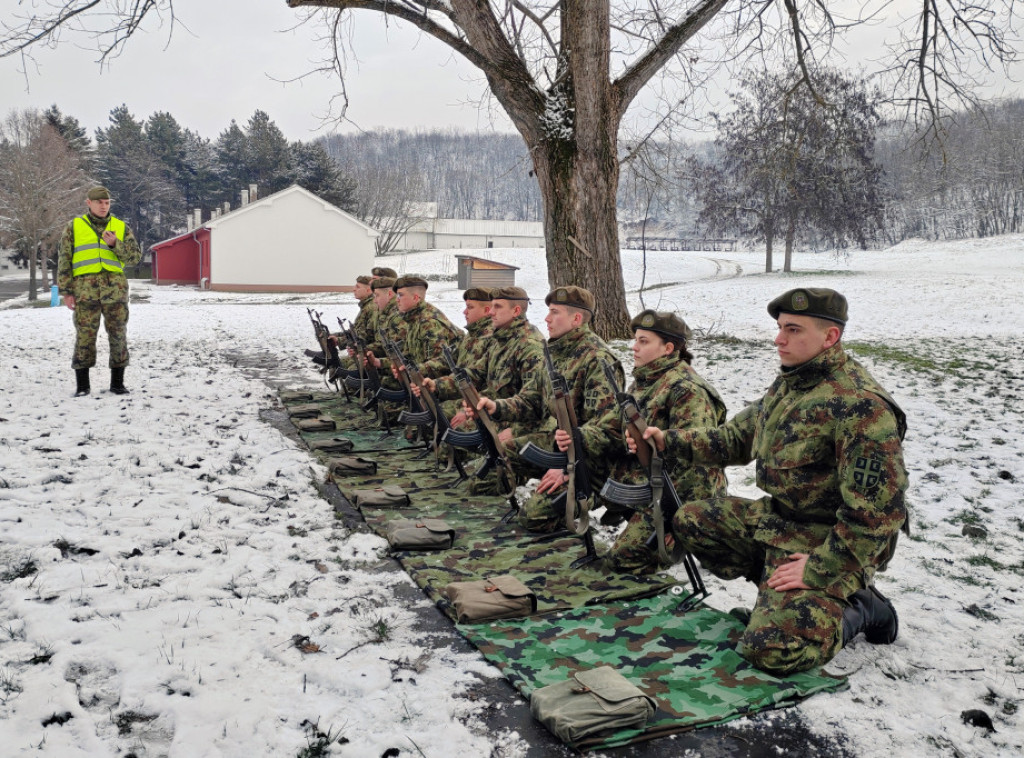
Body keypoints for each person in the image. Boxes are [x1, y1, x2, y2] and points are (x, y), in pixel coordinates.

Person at [633, 288, 908, 675]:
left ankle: (860, 608)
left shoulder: (860, 405)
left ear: (830, 338)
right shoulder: (791, 384)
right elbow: (735, 439)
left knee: (773, 652)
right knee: (692, 519)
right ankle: (776, 600)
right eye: (780, 328)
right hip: (782, 521)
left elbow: (878, 515)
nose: (779, 339)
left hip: (829, 540)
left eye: (793, 330)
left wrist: (820, 567)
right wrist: (669, 440)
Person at [576, 310, 727, 574]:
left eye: (644, 341)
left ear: (668, 348)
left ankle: (697, 539)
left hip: (679, 492)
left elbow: (700, 462)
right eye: (636, 340)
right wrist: (576, 437)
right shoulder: (643, 383)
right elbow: (610, 427)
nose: (634, 347)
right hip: (645, 478)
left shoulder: (687, 390)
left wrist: (678, 519)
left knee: (620, 563)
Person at [57, 186, 142, 396]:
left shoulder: (120, 227)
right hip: (85, 292)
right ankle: (83, 387)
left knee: (118, 336)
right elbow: (64, 260)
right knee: (85, 337)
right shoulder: (74, 227)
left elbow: (134, 257)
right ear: (89, 203)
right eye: (99, 202)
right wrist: (67, 292)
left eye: (106, 203)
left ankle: (118, 384)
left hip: (115, 292)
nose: (103, 206)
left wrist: (115, 244)